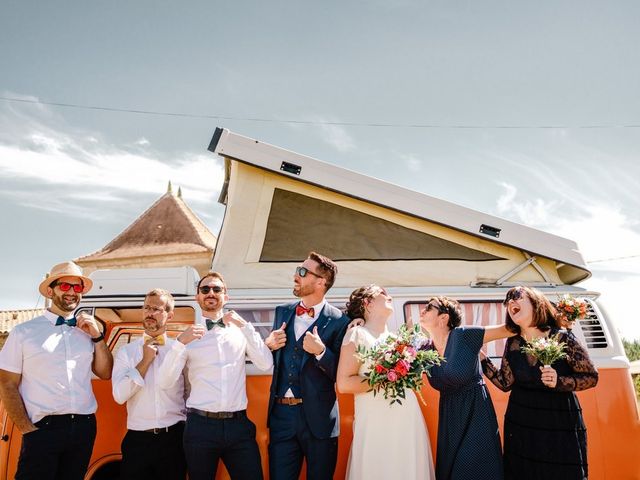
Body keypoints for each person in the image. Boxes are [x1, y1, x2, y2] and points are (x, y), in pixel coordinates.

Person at [0, 261, 113, 480]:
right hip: (42, 429)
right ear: (51, 291)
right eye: (65, 286)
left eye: (77, 287)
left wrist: (97, 337)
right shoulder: (24, 332)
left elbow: (105, 372)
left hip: (83, 427)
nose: (71, 292)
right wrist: (27, 429)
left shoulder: (87, 333)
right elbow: (6, 383)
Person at [156, 271, 272, 480]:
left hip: (239, 426)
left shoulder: (240, 332)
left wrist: (245, 326)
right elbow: (164, 381)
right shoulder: (187, 337)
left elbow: (265, 363)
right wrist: (179, 344)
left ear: (225, 297)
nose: (211, 292)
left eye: (217, 289)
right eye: (205, 289)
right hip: (201, 427)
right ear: (197, 297)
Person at [481, 286, 598, 480]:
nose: (511, 302)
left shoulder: (562, 337)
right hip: (521, 422)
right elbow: (505, 382)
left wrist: (559, 381)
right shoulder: (513, 342)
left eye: (517, 296)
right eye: (508, 299)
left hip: (558, 421)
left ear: (535, 304)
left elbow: (591, 377)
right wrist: (482, 359)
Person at [264, 251, 350, 480]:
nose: (296, 275)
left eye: (303, 272)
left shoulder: (341, 321)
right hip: (282, 415)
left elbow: (342, 373)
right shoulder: (282, 311)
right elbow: (272, 360)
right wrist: (268, 345)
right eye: (297, 270)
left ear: (321, 281)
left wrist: (321, 352)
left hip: (320, 419)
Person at [337, 284, 435, 480]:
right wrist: (385, 378)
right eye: (382, 293)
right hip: (376, 420)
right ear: (368, 303)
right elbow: (344, 384)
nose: (388, 295)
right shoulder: (357, 334)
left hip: (406, 415)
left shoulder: (397, 339)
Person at [420, 296, 511, 480]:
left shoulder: (464, 335)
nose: (423, 310)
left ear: (443, 318)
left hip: (476, 414)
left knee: (474, 467)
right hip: (450, 418)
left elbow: (508, 330)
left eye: (429, 307)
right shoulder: (425, 350)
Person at [111, 288, 187, 480]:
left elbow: (189, 392)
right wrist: (144, 362)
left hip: (174, 438)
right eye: (147, 308)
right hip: (138, 439)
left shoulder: (180, 351)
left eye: (156, 309)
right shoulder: (126, 352)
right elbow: (119, 396)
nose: (150, 313)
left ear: (169, 315)